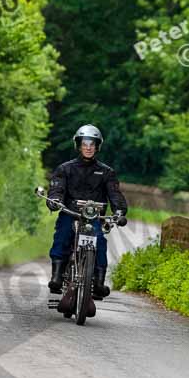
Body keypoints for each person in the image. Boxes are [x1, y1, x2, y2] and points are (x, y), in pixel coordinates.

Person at [46, 124, 128, 298]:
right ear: (78, 145)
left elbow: (115, 194)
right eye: (85, 143)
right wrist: (54, 201)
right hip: (70, 213)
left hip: (94, 218)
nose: (88, 147)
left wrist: (119, 211)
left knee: (100, 241)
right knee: (63, 234)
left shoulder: (107, 172)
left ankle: (98, 282)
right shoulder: (65, 169)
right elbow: (56, 189)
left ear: (97, 146)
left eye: (92, 144)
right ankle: (57, 276)